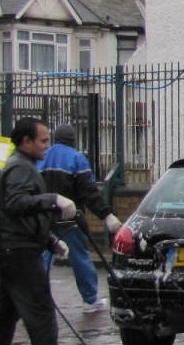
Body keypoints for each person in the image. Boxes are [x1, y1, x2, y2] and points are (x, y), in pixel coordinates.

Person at [0, 118, 95, 345]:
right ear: (26, 142)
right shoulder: (19, 167)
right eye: (42, 140)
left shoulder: (23, 165)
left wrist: (50, 241)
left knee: (4, 316)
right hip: (20, 254)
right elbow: (15, 204)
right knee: (41, 316)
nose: (47, 145)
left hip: (14, 249)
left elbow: (19, 215)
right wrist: (53, 199)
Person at [39, 124, 122, 310]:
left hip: (43, 219)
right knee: (79, 258)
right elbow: (89, 193)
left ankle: (35, 297)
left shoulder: (41, 157)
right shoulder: (77, 159)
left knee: (43, 257)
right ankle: (90, 300)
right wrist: (106, 215)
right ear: (73, 140)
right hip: (70, 221)